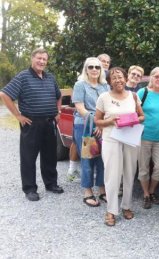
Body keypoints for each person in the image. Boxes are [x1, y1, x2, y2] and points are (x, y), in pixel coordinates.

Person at [0, 48, 64, 201]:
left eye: (44, 59)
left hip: (49, 122)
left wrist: (59, 112)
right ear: (32, 59)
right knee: (29, 157)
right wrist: (17, 115)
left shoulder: (50, 78)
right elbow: (4, 94)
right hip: (31, 123)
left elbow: (59, 95)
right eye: (39, 58)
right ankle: (30, 189)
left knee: (50, 156)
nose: (42, 61)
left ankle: (51, 184)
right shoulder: (23, 77)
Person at [95, 67, 145, 226]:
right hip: (111, 138)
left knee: (130, 173)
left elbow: (142, 115)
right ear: (109, 81)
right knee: (112, 175)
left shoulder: (133, 96)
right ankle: (111, 210)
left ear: (125, 78)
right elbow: (97, 121)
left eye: (120, 77)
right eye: (114, 78)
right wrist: (110, 121)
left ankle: (127, 206)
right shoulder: (104, 97)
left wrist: (134, 120)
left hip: (130, 137)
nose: (118, 80)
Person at [72, 57, 109, 207]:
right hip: (85, 126)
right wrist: (96, 124)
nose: (94, 69)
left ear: (101, 70)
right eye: (91, 67)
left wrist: (102, 125)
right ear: (86, 69)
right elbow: (80, 108)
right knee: (88, 159)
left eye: (97, 67)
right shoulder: (80, 85)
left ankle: (102, 189)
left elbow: (108, 107)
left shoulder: (105, 86)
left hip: (102, 126)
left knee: (102, 159)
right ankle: (87, 192)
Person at [137, 67, 159, 209]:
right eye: (156, 76)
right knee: (144, 168)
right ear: (151, 78)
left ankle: (152, 191)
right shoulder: (143, 92)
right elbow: (134, 112)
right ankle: (146, 194)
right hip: (143, 136)